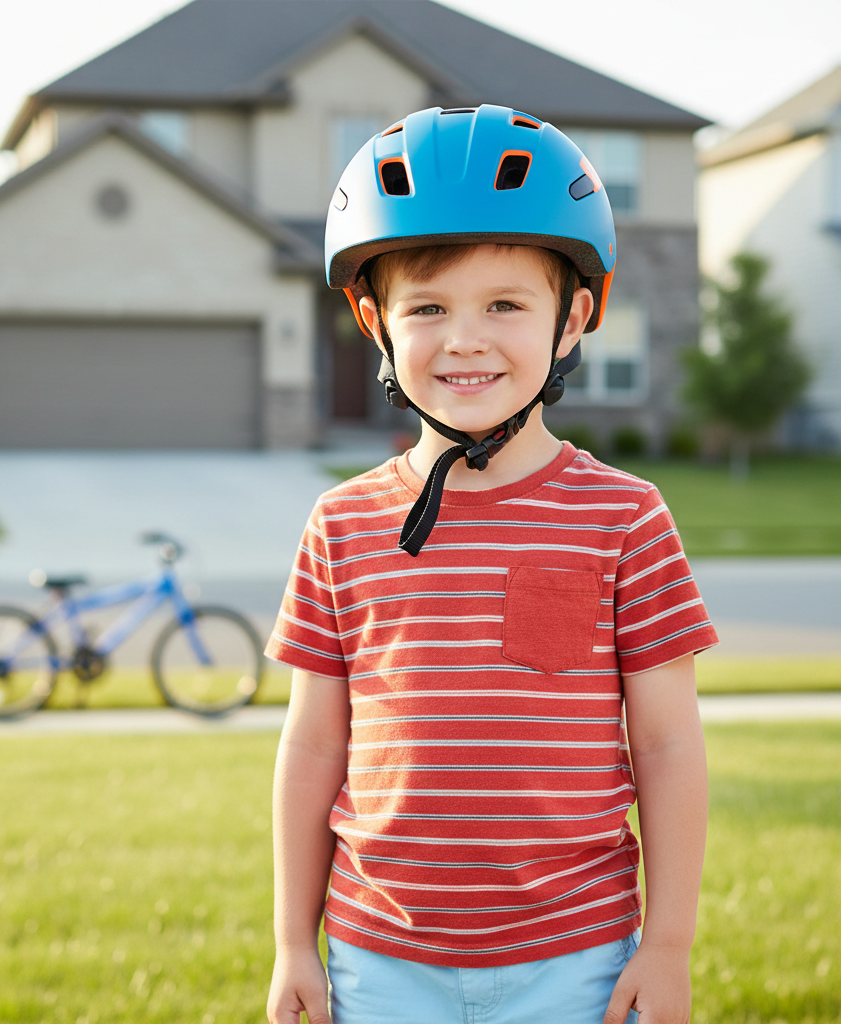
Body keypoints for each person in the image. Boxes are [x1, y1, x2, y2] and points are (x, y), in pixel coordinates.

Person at [265, 104, 717, 1024]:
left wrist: (665, 947)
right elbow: (314, 745)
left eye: (504, 304)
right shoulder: (342, 524)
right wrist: (290, 942)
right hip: (379, 953)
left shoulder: (624, 517)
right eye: (427, 308)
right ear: (372, 320)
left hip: (578, 954)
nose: (464, 338)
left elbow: (667, 746)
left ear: (574, 317)